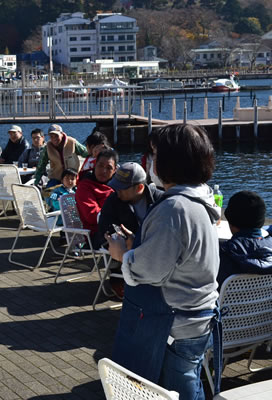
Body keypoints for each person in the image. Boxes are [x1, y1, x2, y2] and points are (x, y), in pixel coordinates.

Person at [106, 124, 221, 400]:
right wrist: (140, 245)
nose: (151, 162)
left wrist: (122, 254)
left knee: (177, 390)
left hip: (176, 323)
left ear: (170, 161)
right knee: (190, 381)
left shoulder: (174, 207)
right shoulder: (201, 196)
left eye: (155, 155)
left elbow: (150, 270)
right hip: (198, 314)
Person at [97, 162, 163, 297]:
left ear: (139, 187)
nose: (117, 191)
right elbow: (106, 226)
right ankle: (117, 279)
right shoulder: (113, 200)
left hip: (154, 251)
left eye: (122, 188)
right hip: (126, 251)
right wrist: (124, 238)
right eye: (116, 187)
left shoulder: (160, 199)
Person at [218, 190, 272, 287]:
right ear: (261, 221)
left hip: (227, 296)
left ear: (230, 221)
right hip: (265, 297)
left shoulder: (222, 253)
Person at [75, 149, 117, 244]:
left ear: (115, 170)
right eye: (100, 166)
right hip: (97, 234)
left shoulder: (117, 185)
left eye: (109, 168)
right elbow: (92, 216)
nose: (104, 171)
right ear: (94, 165)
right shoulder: (85, 186)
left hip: (117, 228)